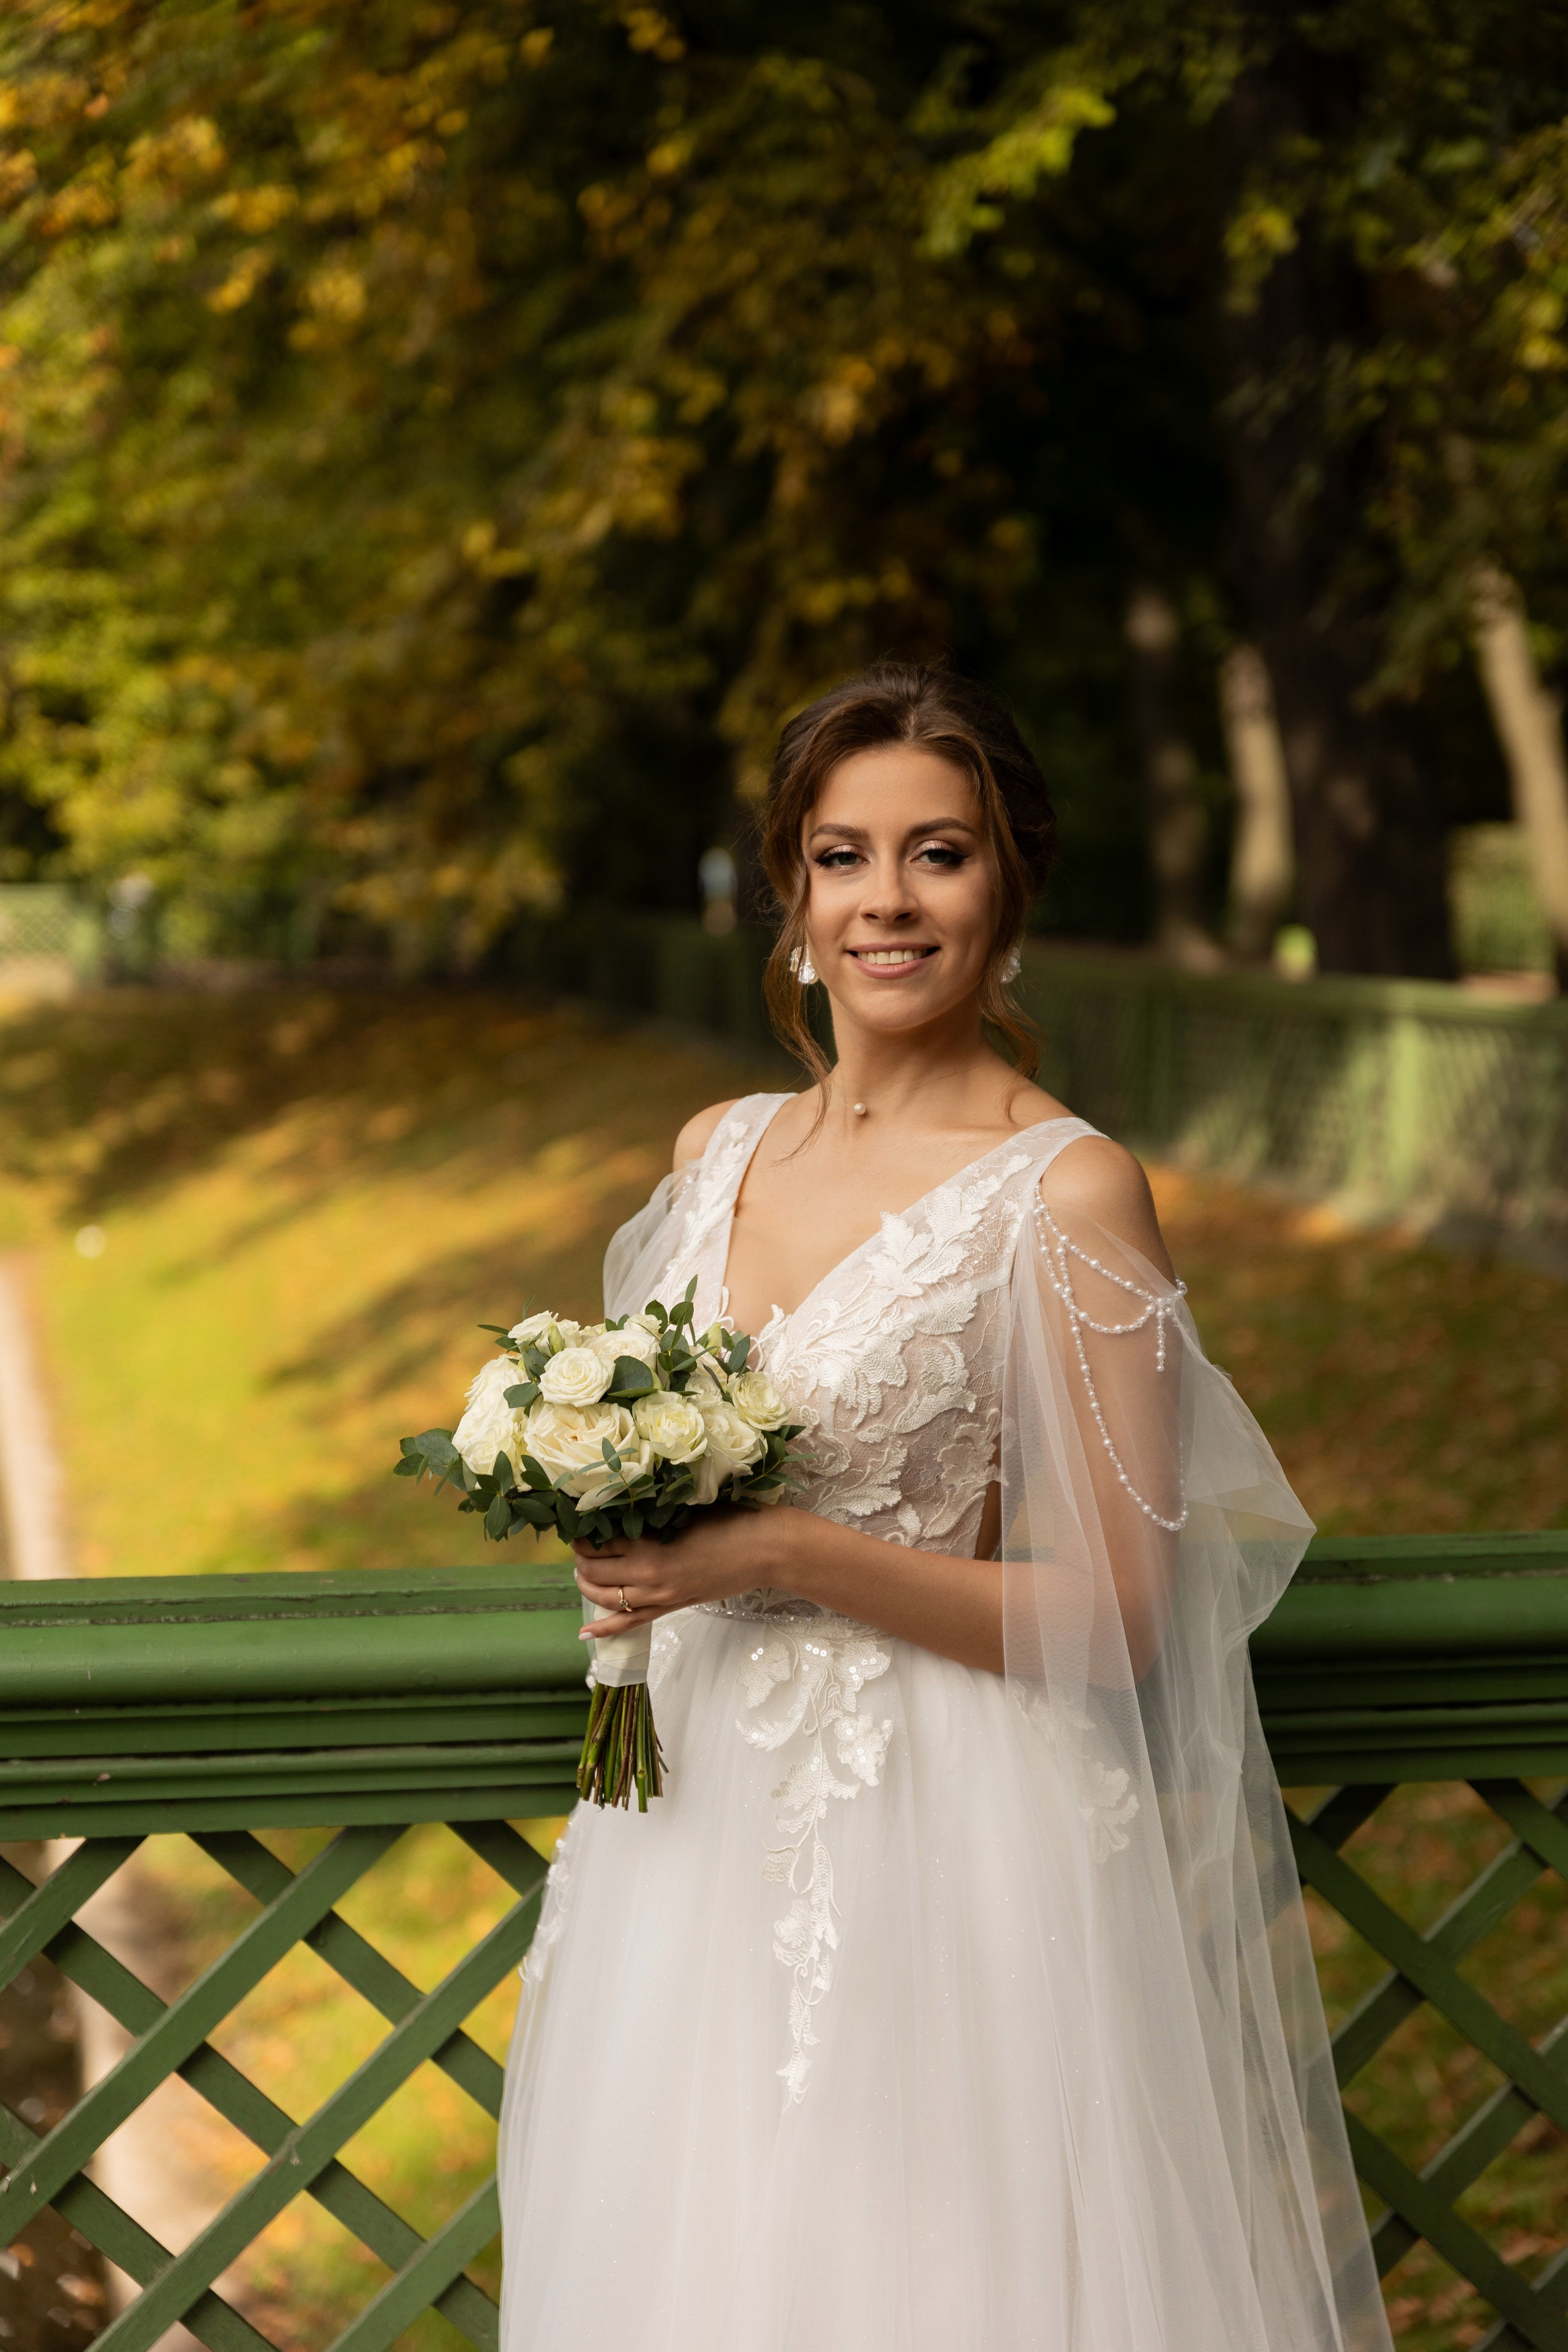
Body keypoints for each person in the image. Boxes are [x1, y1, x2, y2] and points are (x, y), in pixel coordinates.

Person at [497, 662, 1392, 2352]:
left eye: (940, 855)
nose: (886, 903)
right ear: (790, 887)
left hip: (952, 1839)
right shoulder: (716, 1149)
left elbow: (1127, 1615)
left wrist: (780, 1554)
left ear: (1012, 884)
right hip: (683, 1829)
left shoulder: (1065, 1188)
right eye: (843, 857)